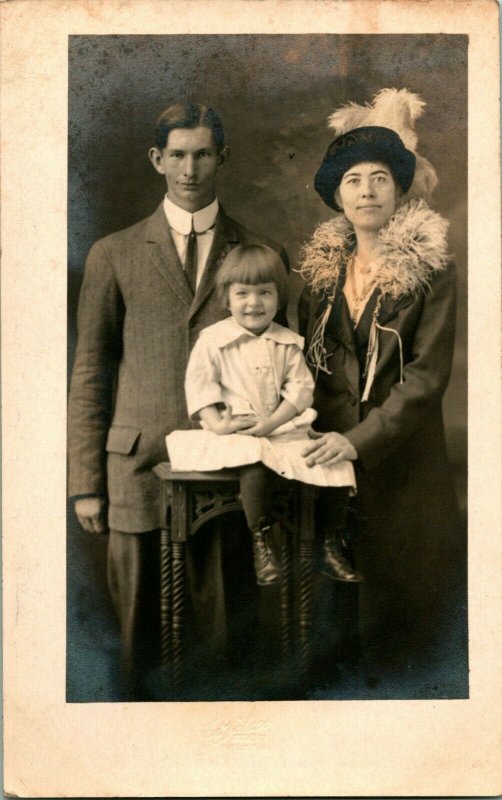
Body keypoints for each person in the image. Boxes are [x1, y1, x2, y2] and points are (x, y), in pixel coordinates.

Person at [67, 101, 288, 699]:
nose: (190, 169)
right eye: (178, 155)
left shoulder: (260, 253)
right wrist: (87, 481)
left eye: (203, 154)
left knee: (226, 639)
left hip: (227, 475)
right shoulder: (113, 253)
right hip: (135, 471)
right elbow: (92, 369)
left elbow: (278, 367)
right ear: (157, 159)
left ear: (222, 158)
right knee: (141, 647)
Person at [298, 89, 462, 673]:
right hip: (330, 465)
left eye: (379, 179)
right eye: (353, 181)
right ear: (337, 197)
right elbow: (305, 368)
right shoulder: (320, 278)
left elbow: (425, 378)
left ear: (399, 190)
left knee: (403, 618)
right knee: (339, 622)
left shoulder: (432, 273)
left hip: (404, 465)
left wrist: (359, 440)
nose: (366, 191)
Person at [180, 244, 357, 587]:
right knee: (256, 462)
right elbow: (199, 385)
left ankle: (330, 543)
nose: (253, 303)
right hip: (238, 431)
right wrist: (219, 424)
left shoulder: (288, 342)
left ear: (278, 299)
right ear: (226, 299)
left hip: (279, 426)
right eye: (242, 293)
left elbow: (301, 390)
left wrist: (274, 421)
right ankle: (262, 540)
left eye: (264, 293)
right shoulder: (213, 340)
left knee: (333, 459)